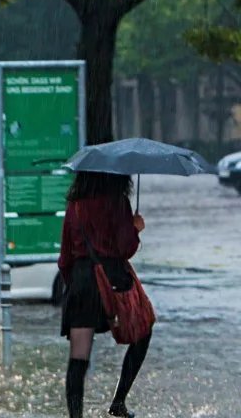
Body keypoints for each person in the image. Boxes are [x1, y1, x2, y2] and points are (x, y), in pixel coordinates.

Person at [58, 172, 151, 418]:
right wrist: (135, 228)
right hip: (111, 279)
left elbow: (65, 257)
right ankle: (118, 402)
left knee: (79, 354)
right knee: (143, 331)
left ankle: (75, 416)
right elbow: (124, 248)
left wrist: (76, 285)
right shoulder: (117, 201)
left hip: (80, 282)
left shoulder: (74, 204)